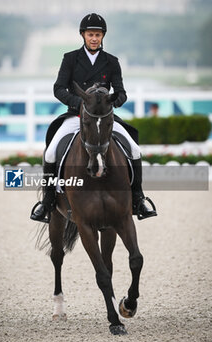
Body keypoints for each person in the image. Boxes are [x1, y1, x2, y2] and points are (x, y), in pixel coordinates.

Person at [30, 13, 157, 223]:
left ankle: (138, 199)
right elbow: (58, 88)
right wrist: (79, 103)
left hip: (104, 118)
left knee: (134, 149)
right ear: (83, 35)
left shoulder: (112, 61)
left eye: (98, 34)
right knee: (52, 151)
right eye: (90, 34)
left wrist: (110, 104)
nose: (94, 38)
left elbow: (122, 92)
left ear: (102, 36)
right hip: (77, 115)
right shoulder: (70, 58)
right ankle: (48, 202)